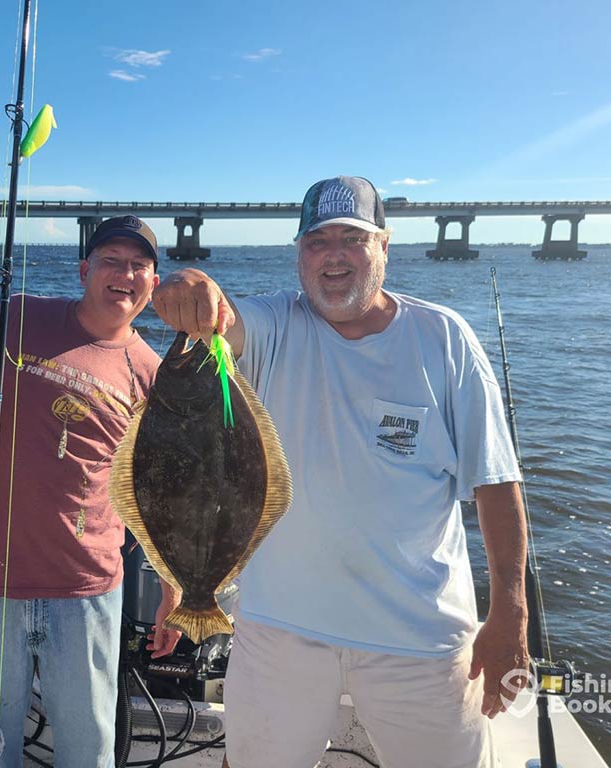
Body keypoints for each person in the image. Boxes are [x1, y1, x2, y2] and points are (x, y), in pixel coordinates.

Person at [151, 176, 530, 768]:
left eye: (351, 238)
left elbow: (497, 482)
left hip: (420, 636)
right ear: (298, 254)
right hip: (280, 627)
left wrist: (509, 611)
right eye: (316, 241)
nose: (333, 256)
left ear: (385, 246)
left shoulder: (444, 338)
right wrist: (186, 284)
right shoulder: (276, 324)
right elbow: (221, 320)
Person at [0, 215, 180, 768]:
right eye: (111, 261)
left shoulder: (151, 371)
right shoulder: (17, 316)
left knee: (88, 746)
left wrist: (172, 588)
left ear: (154, 282)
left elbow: (160, 493)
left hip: (88, 586)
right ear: (84, 271)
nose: (125, 274)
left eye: (139, 265)